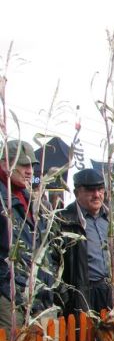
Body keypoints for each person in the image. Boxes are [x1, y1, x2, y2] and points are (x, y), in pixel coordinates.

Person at [55, 168, 114, 317]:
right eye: (90, 190)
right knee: (84, 339)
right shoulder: (64, 221)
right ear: (77, 193)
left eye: (100, 189)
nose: (96, 195)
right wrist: (66, 298)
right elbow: (54, 264)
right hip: (84, 296)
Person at [0, 140, 54, 330]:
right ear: (5, 164)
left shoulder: (28, 198)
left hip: (30, 292)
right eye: (24, 164)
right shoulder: (2, 199)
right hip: (8, 293)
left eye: (32, 165)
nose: (30, 170)